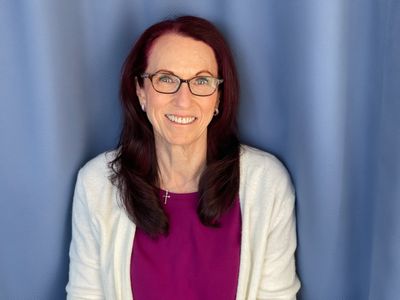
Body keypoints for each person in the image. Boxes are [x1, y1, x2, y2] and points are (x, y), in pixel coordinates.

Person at [66, 15, 300, 300]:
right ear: (140, 91)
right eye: (166, 79)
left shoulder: (267, 184)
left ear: (218, 98)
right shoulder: (96, 185)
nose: (183, 100)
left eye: (201, 81)